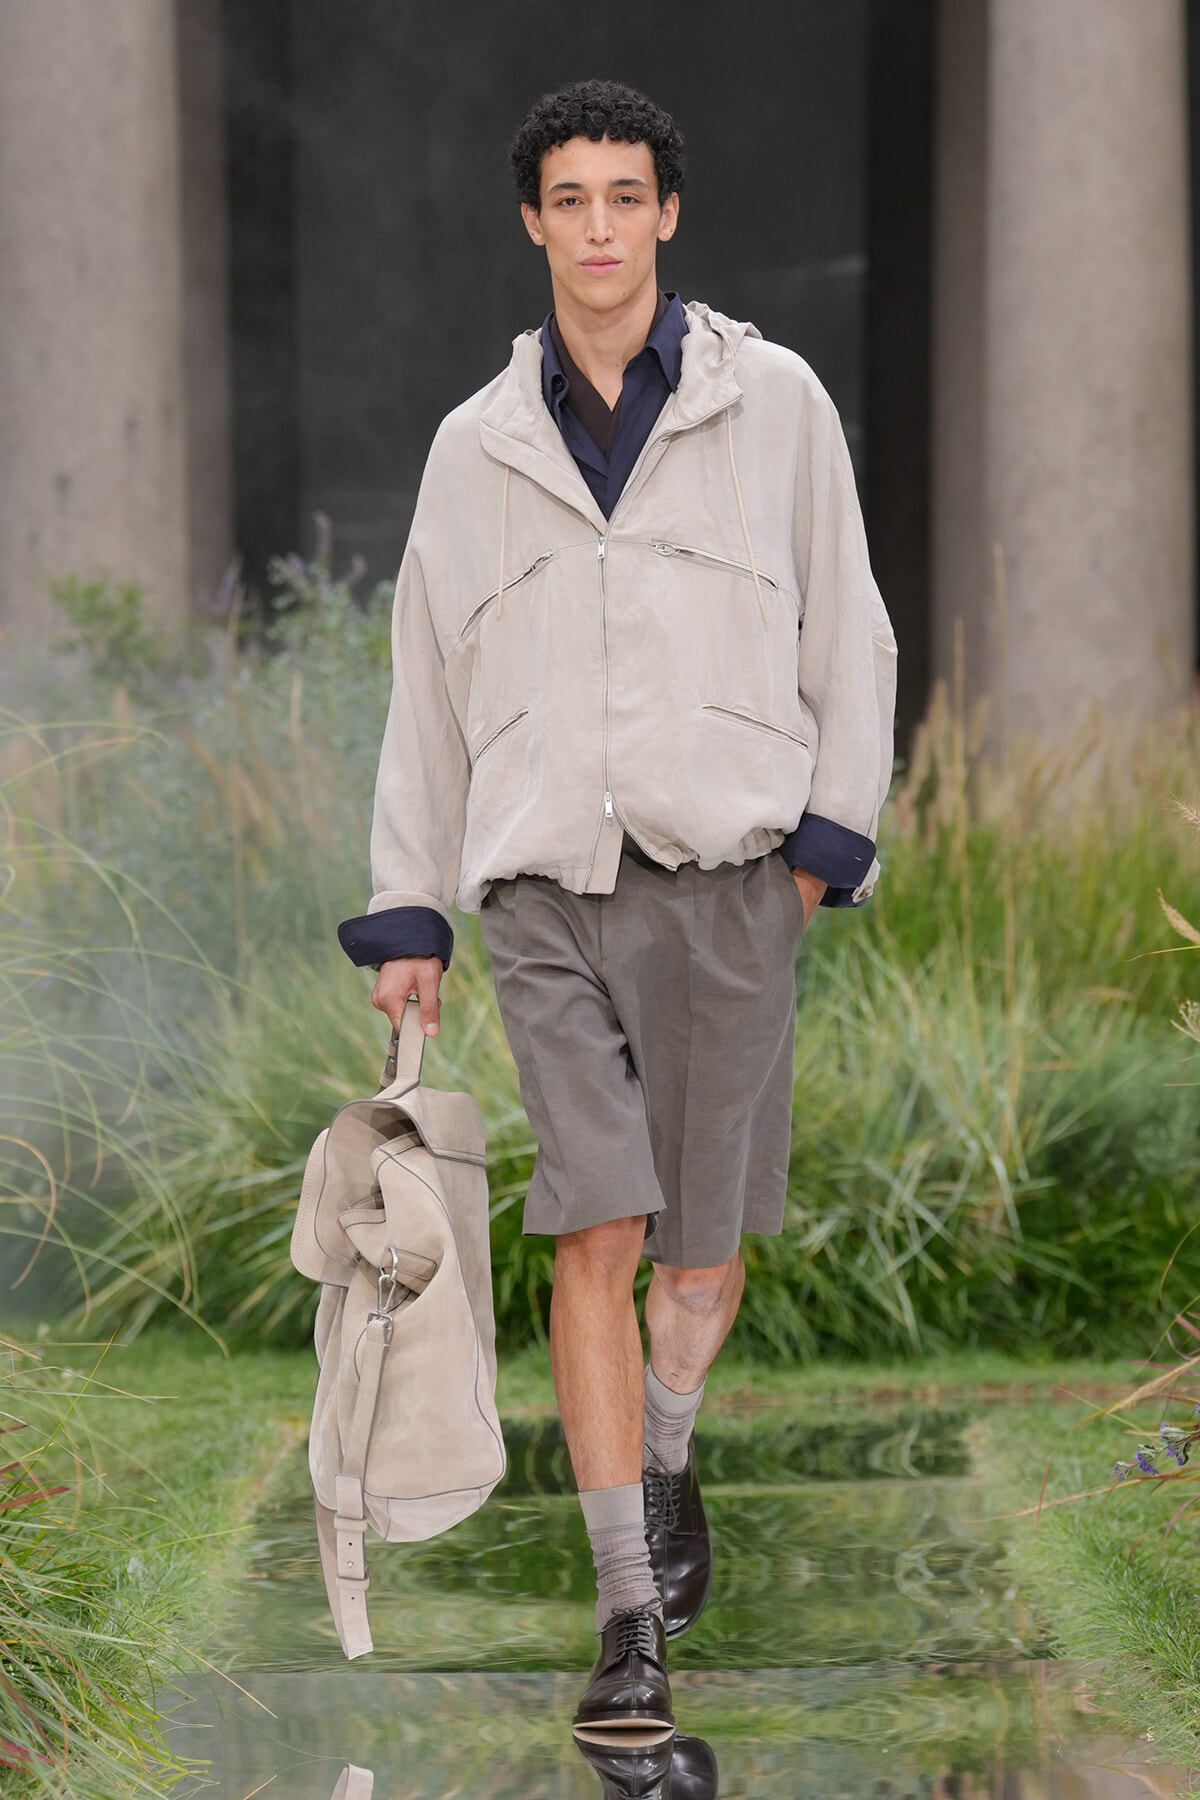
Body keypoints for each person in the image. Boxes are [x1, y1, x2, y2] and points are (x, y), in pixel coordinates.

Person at [338, 78, 896, 1747]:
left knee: (696, 1268)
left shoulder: (774, 404)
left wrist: (818, 855)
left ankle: (667, 1451)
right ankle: (627, 1616)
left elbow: (849, 631)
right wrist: (407, 908)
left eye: (624, 196)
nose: (597, 226)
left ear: (667, 216)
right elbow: (423, 695)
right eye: (567, 198)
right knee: (596, 1224)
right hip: (542, 893)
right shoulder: (474, 448)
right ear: (534, 223)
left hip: (731, 884)